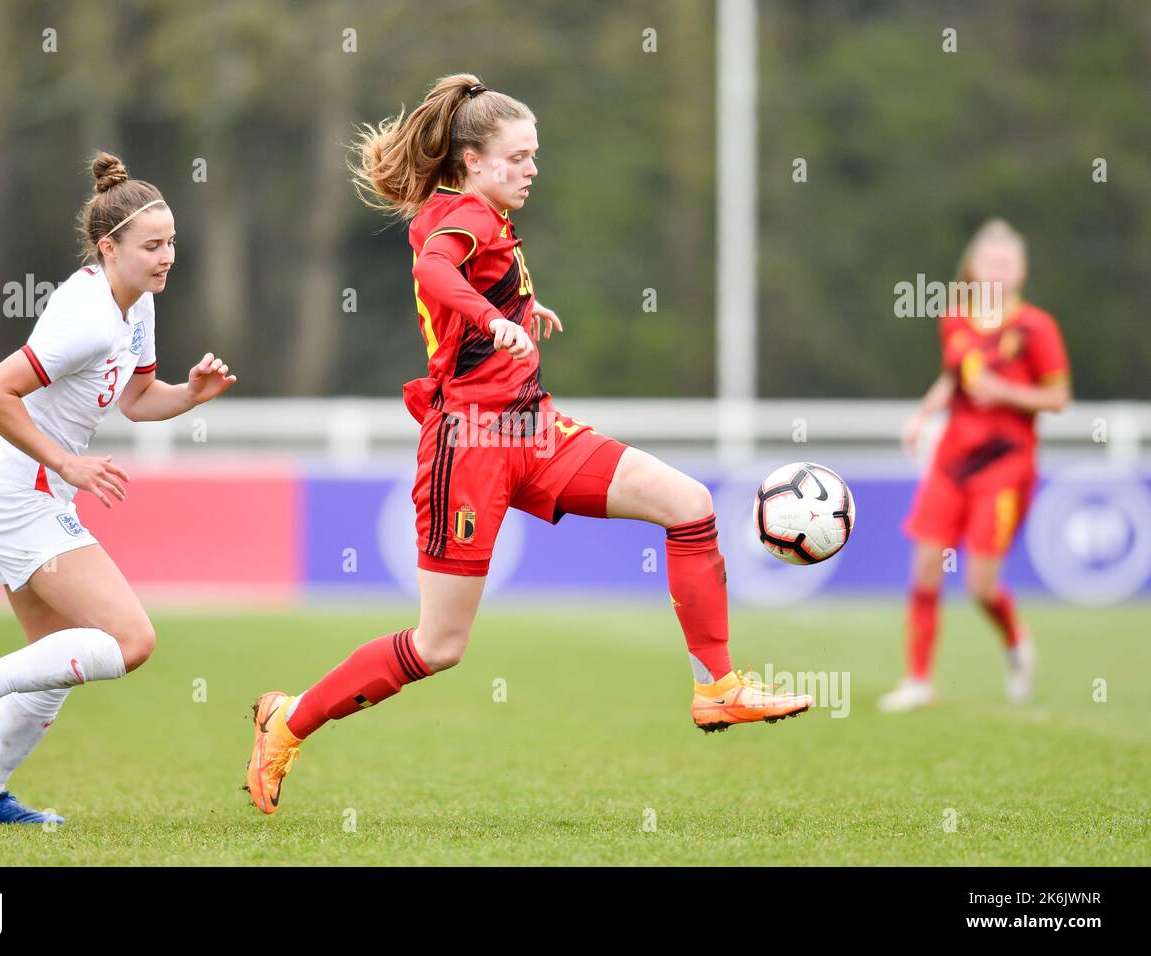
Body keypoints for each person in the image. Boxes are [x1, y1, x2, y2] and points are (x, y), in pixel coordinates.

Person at [244, 74, 813, 815]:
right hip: (471, 445)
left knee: (689, 503)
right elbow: (433, 270)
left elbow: (460, 276)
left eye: (535, 155)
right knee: (440, 646)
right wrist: (490, 316)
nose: (532, 169)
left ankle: (718, 688)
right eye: (517, 156)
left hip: (532, 429)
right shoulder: (462, 218)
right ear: (472, 160)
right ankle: (288, 720)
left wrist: (518, 306)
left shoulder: (482, 214)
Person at [0, 152, 237, 824]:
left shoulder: (136, 304)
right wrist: (67, 465)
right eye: (153, 246)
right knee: (130, 641)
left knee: (55, 659)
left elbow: (138, 400)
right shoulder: (87, 315)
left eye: (172, 242)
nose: (168, 257)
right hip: (19, 492)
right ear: (108, 248)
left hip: (20, 491)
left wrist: (191, 395)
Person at [881, 219, 1071, 712]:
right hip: (952, 459)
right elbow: (953, 378)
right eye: (989, 261)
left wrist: (1006, 392)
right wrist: (924, 415)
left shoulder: (1036, 327)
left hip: (1005, 464)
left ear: (1021, 270)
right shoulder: (956, 319)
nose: (997, 271)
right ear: (972, 268)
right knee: (925, 564)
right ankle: (918, 679)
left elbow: (1059, 398)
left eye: (1007, 262)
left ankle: (1015, 641)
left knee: (980, 585)